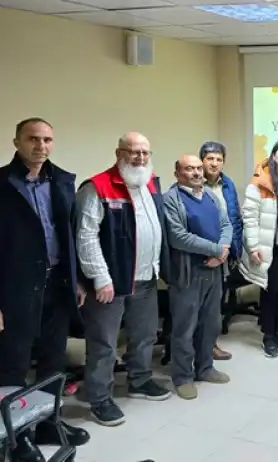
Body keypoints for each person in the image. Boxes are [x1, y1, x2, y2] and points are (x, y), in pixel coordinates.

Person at [0, 118, 91, 462]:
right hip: (15, 290)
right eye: (33, 139)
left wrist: (78, 279)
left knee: (54, 359)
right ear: (17, 142)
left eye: (47, 139)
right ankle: (16, 434)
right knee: (13, 363)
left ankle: (48, 422)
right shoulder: (3, 184)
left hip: (59, 283)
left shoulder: (63, 180)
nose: (41, 145)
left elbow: (69, 236)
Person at [76, 132, 172, 427]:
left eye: (145, 152)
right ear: (119, 153)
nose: (140, 158)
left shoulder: (151, 182)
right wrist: (99, 278)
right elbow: (86, 236)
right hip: (111, 282)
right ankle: (99, 398)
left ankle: (139, 380)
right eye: (133, 152)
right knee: (104, 343)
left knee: (144, 335)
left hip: (145, 277)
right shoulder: (98, 187)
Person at [163, 156, 232, 400]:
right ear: (177, 173)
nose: (195, 172)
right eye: (189, 168)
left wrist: (222, 251)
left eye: (198, 168)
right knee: (184, 328)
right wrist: (215, 250)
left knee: (210, 323)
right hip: (187, 273)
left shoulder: (211, 196)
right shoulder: (171, 200)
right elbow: (178, 236)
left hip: (214, 271)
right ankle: (183, 377)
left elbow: (226, 224)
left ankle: (205, 368)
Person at [239, 138, 278, 358]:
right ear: (274, 155)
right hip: (268, 246)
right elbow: (249, 216)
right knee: (270, 290)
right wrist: (253, 245)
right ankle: (268, 336)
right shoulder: (260, 181)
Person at [199, 141, 243, 361]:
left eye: (219, 159)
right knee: (199, 304)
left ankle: (210, 344)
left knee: (215, 303)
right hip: (201, 254)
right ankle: (195, 347)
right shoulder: (194, 184)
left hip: (224, 252)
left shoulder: (228, 184)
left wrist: (235, 248)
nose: (214, 163)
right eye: (210, 159)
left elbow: (234, 218)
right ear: (202, 161)